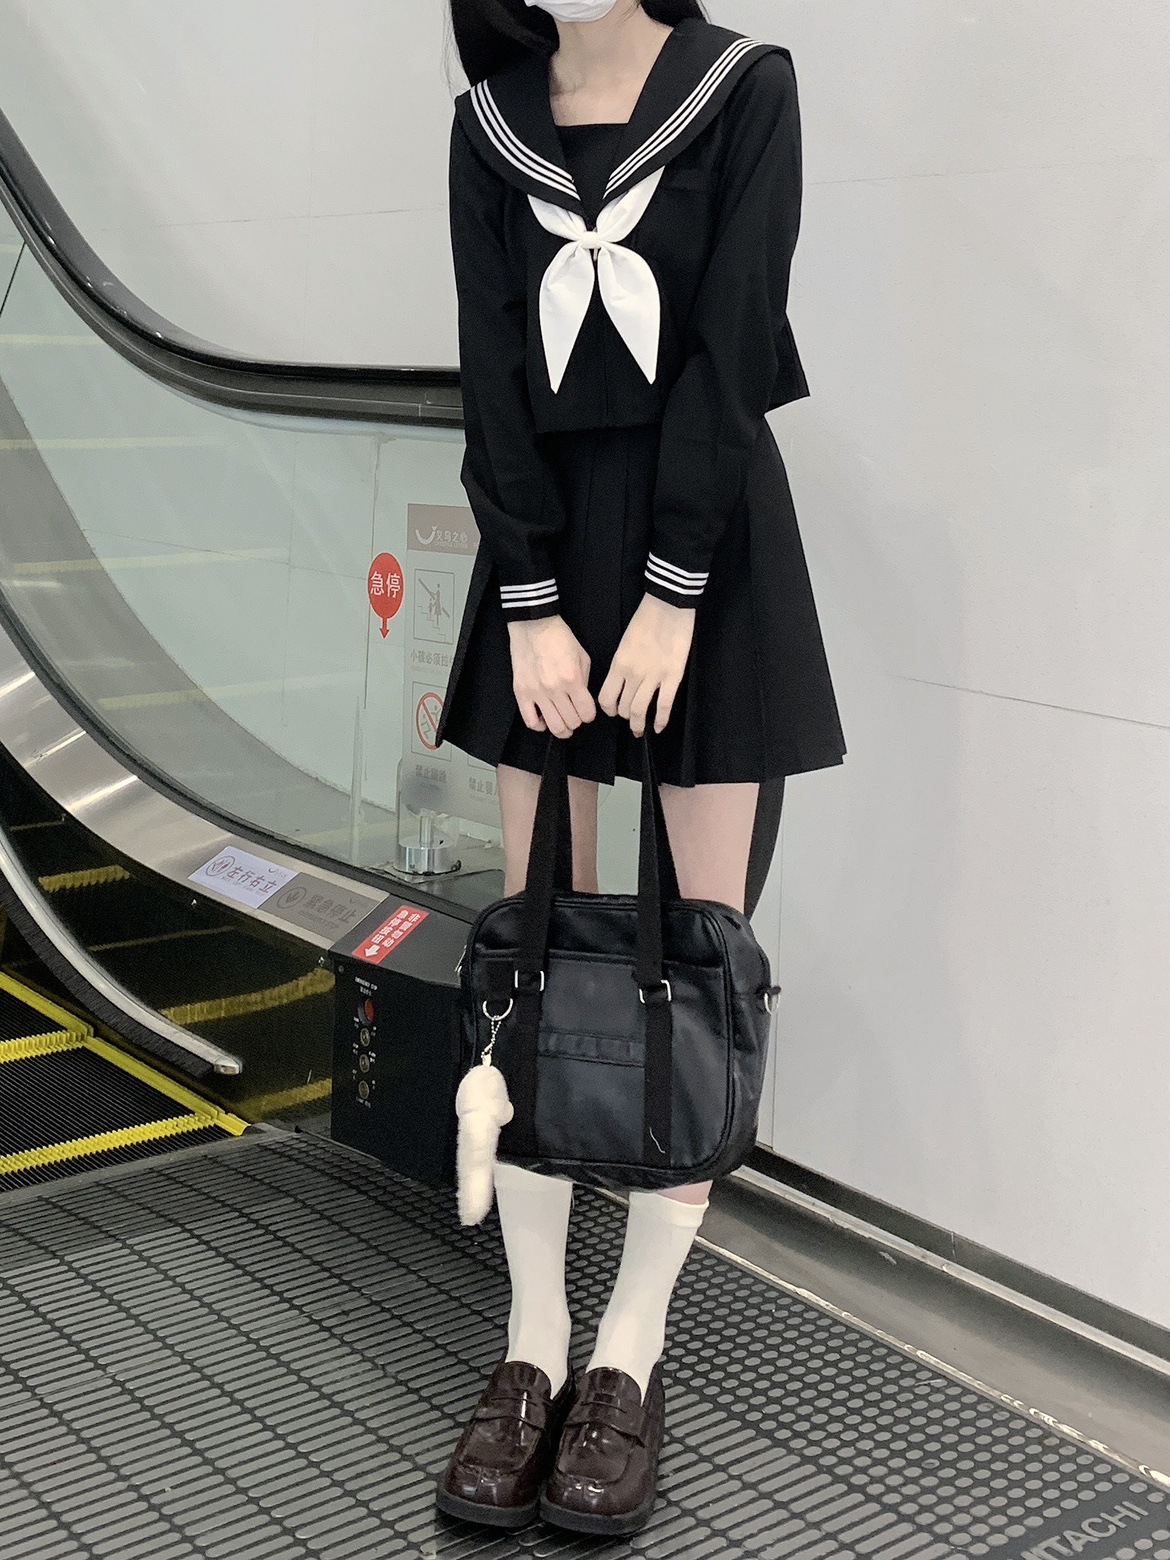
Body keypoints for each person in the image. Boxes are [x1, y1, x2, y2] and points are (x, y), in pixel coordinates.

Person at [434, 0, 847, 1537]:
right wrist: (530, 600)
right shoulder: (488, 116)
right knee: (534, 953)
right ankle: (532, 1339)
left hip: (707, 549)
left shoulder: (743, 87)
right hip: (541, 555)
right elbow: (489, 365)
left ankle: (630, 1345)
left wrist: (675, 587)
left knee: (699, 961)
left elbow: (734, 346)